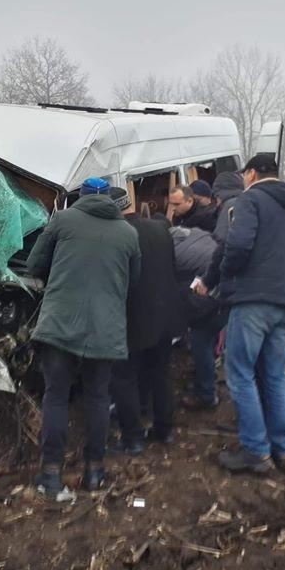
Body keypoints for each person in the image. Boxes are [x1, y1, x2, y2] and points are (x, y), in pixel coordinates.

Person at [201, 154, 285, 474]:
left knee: (240, 373)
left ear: (252, 173)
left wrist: (228, 278)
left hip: (253, 301)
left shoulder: (250, 201)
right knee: (274, 376)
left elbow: (237, 246)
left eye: (245, 175)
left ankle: (256, 451)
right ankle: (282, 451)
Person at [26, 177, 141, 498]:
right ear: (107, 197)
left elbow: (34, 264)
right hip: (105, 331)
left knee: (56, 396)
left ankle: (50, 475)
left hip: (60, 324)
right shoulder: (128, 234)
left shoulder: (62, 220)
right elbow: (133, 283)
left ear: (80, 197)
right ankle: (95, 471)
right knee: (98, 398)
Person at [110, 188, 184, 455]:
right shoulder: (158, 228)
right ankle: (165, 430)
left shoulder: (117, 235)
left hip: (133, 316)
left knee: (124, 377)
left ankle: (133, 438)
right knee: (161, 373)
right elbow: (172, 268)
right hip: (165, 314)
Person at [171, 225, 224, 410]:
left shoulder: (174, 254)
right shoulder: (197, 232)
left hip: (212, 295)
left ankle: (207, 394)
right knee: (208, 340)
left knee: (200, 341)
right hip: (227, 294)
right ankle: (206, 379)